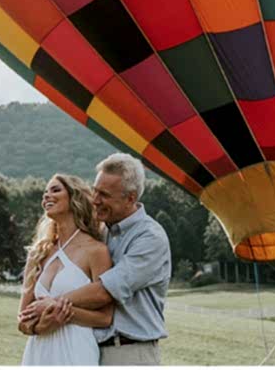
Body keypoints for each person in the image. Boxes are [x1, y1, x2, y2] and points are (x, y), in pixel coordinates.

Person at [20, 153, 171, 366]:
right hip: (87, 345)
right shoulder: (100, 231)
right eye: (95, 191)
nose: (96, 200)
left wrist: (52, 305)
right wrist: (39, 324)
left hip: (128, 351)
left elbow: (105, 291)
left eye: (105, 195)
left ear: (130, 198)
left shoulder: (149, 237)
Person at [19, 174, 113, 366]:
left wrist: (59, 314)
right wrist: (41, 326)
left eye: (55, 190)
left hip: (76, 350)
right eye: (45, 192)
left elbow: (105, 318)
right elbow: (22, 320)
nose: (46, 196)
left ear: (74, 198)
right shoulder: (38, 253)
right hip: (38, 351)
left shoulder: (96, 251)